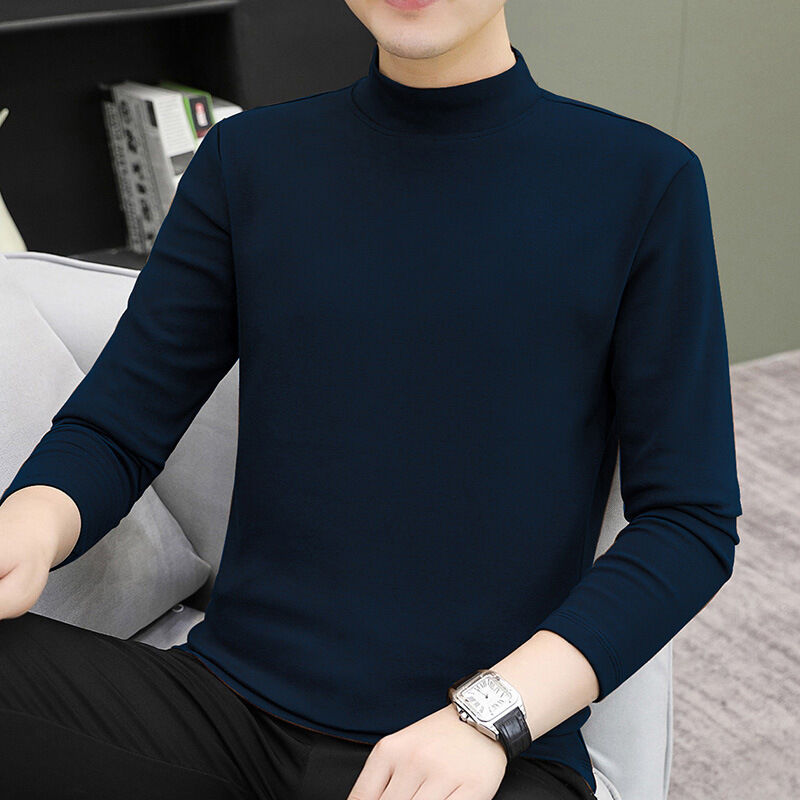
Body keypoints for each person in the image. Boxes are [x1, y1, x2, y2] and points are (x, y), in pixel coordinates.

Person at [0, 1, 743, 799]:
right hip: (225, 715)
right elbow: (117, 428)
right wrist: (29, 525)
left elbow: (689, 522)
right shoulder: (248, 160)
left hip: (481, 757)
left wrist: (488, 717)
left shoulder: (643, 182)